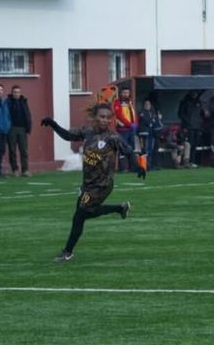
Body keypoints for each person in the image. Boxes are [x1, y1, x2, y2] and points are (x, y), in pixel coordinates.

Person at [42, 104, 146, 262]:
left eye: (108, 118)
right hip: (87, 185)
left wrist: (137, 166)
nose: (105, 120)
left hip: (102, 186)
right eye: (102, 117)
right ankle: (120, 208)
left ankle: (67, 252)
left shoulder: (112, 137)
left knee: (79, 215)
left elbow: (129, 151)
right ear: (95, 118)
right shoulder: (87, 132)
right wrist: (53, 125)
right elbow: (68, 135)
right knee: (85, 214)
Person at [6, 85, 31, 177]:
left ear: (20, 93)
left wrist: (28, 127)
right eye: (15, 92)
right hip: (11, 129)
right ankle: (15, 170)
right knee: (12, 150)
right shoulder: (8, 102)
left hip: (22, 129)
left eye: (18, 92)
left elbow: (28, 114)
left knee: (23, 150)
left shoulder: (24, 102)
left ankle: (25, 170)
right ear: (12, 93)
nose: (16, 94)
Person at [111, 87, 138, 171]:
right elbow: (119, 115)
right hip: (123, 129)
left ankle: (132, 167)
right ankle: (123, 168)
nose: (126, 94)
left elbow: (133, 114)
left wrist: (136, 123)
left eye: (127, 92)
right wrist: (130, 124)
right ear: (121, 93)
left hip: (131, 129)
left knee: (132, 148)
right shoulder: (117, 102)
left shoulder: (129, 102)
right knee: (123, 148)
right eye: (124, 92)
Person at [178, 91, 203, 167]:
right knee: (188, 144)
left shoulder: (198, 102)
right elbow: (181, 114)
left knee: (195, 144)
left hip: (197, 127)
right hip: (188, 127)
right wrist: (187, 123)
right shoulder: (185, 102)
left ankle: (192, 161)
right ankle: (185, 161)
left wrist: (200, 122)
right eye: (193, 92)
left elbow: (200, 113)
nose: (195, 94)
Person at [138, 98, 161, 169]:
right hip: (145, 133)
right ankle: (144, 165)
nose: (148, 105)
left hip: (152, 134)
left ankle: (149, 164)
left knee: (151, 149)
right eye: (146, 104)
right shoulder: (141, 112)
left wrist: (153, 121)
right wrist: (152, 121)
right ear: (144, 105)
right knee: (145, 150)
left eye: (149, 104)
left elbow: (156, 121)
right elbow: (146, 120)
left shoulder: (153, 112)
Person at [0, 84, 9, 178]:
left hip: (4, 131)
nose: (0, 91)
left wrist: (8, 125)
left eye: (1, 90)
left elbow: (8, 116)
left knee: (1, 151)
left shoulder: (5, 102)